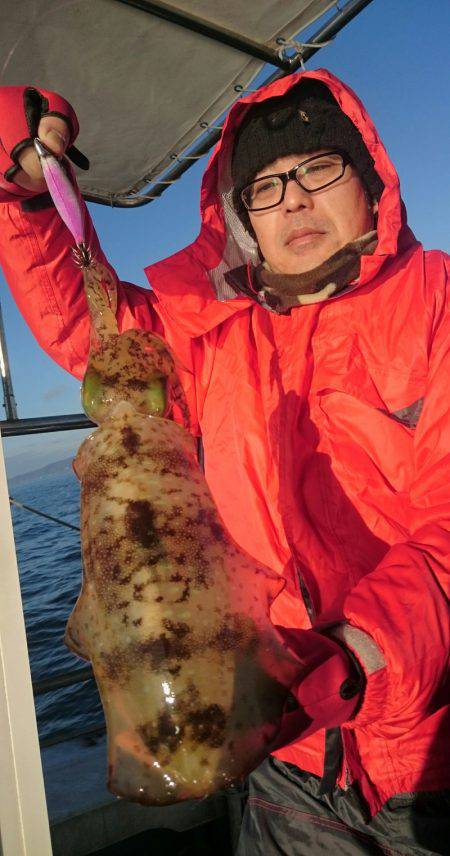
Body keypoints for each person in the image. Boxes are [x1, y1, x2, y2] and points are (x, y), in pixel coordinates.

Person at [0, 69, 449, 855]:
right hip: (279, 757)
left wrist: (351, 653)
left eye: (318, 168)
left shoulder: (438, 301)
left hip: (428, 751)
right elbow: (100, 336)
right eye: (266, 187)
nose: (294, 200)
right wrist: (33, 201)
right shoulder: (210, 334)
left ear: (371, 182)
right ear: (241, 218)